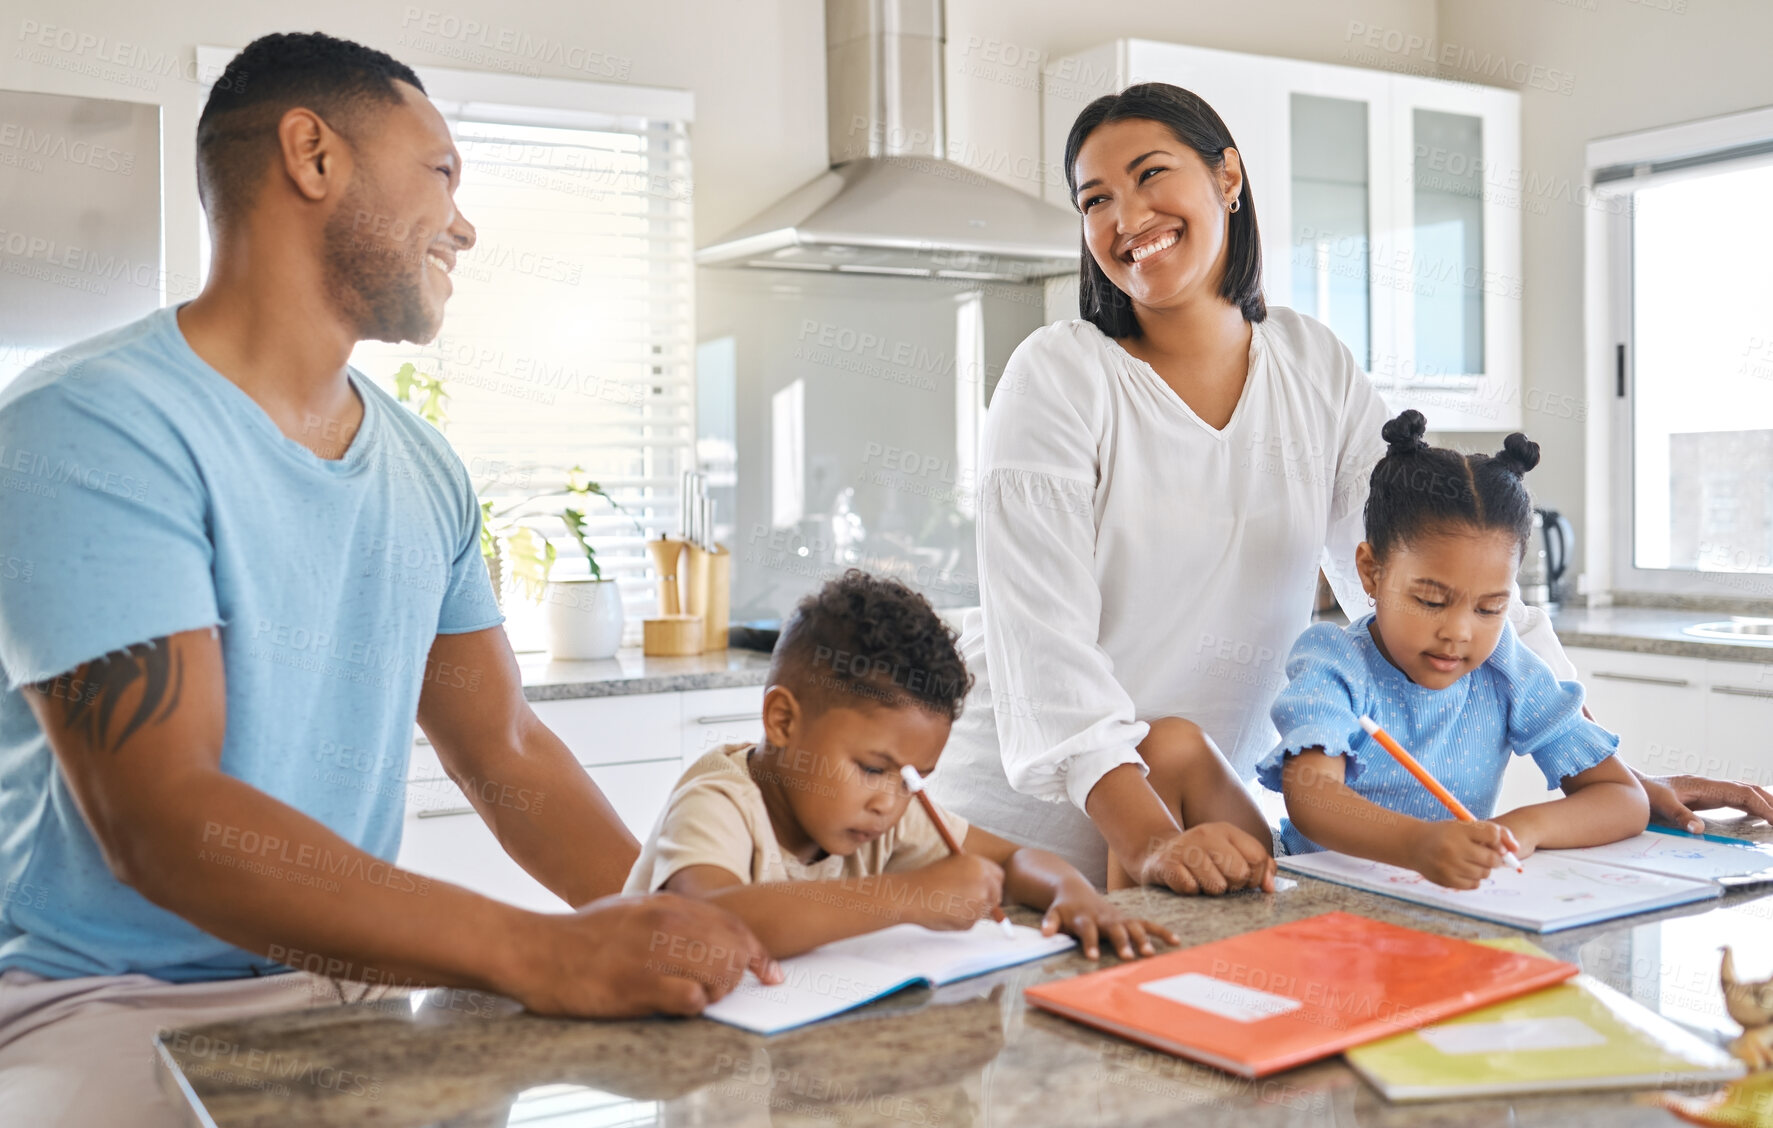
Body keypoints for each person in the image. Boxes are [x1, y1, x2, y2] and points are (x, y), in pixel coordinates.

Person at [0, 33, 773, 1126]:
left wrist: (675, 920)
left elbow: (502, 749)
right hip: (111, 1004)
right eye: (443, 172)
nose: (465, 222)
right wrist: (534, 952)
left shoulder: (422, 466)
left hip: (345, 981)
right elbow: (164, 821)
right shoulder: (89, 427)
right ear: (312, 156)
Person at [926, 81, 1771, 895]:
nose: (1124, 217)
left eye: (1149, 175)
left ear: (1227, 178)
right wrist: (1146, 839)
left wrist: (1606, 774)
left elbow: (1436, 564)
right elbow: (1043, 647)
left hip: (1200, 829)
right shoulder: (1058, 375)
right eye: (1094, 200)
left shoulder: (1310, 364)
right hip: (1029, 840)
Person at [626, 570, 1181, 962]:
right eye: (872, 767)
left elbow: (1015, 860)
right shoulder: (717, 802)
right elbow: (704, 923)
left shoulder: (878, 812)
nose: (889, 802)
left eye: (914, 779)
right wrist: (909, 897)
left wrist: (1073, 894)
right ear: (783, 721)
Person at [1257, 411, 1649, 887]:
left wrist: (1521, 829)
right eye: (1430, 601)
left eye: (1490, 608)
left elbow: (1622, 797)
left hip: (1443, 908)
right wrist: (1417, 844)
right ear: (1371, 572)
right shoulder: (1335, 662)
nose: (1459, 632)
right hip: (1320, 905)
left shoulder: (1506, 666)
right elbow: (1313, 798)